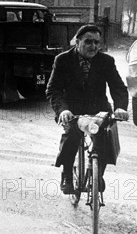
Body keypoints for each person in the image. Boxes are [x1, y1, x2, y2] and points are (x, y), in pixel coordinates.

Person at [46, 24, 129, 194]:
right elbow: (53, 89)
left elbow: (118, 87)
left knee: (105, 138)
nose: (94, 46)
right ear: (77, 42)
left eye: (97, 42)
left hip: (98, 110)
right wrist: (62, 110)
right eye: (88, 42)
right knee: (72, 136)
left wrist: (120, 107)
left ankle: (98, 175)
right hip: (72, 111)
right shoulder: (62, 60)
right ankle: (67, 174)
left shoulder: (106, 61)